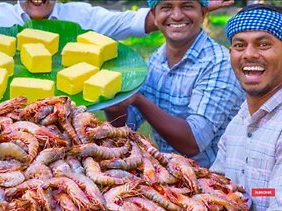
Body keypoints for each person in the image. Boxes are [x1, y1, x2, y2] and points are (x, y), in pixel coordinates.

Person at [104, 0, 245, 168]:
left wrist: (138, 99)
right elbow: (126, 126)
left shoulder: (219, 63)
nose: (177, 16)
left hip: (214, 178)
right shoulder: (156, 60)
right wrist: (113, 99)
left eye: (187, 6)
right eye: (166, 7)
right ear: (154, 16)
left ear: (204, 12)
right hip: (168, 173)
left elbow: (193, 143)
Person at [210, 4, 282, 210]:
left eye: (264, 44)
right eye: (240, 46)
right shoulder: (239, 119)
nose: (249, 54)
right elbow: (215, 184)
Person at [0, 0, 234, 40]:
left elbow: (139, 22)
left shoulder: (82, 16)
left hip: (70, 128)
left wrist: (199, 6)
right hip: (6, 127)